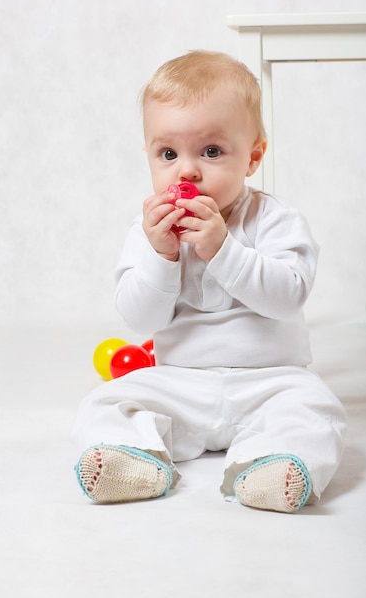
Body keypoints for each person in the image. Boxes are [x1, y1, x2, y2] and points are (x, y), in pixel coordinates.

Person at [72, 50, 346, 513]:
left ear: (253, 156)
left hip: (271, 380)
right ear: (149, 156)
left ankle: (271, 463)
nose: (187, 170)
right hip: (181, 382)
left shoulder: (276, 219)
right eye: (167, 153)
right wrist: (161, 257)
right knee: (106, 402)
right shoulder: (148, 232)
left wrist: (224, 250)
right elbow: (139, 318)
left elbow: (288, 296)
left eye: (212, 151)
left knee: (315, 409)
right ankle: (131, 457)